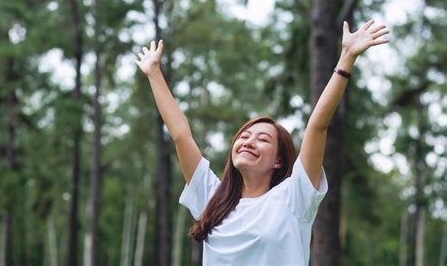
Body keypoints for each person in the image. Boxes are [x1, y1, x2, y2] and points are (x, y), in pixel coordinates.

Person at [135, 19, 390, 265]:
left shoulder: (294, 197)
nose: (248, 142)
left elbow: (317, 126)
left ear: (279, 160)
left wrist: (346, 57)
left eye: (263, 139)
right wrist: (154, 72)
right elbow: (180, 134)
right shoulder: (211, 198)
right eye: (244, 137)